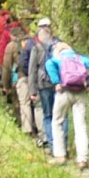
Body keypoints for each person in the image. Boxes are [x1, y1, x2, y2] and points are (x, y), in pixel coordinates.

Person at [45, 41, 89, 167]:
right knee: (80, 125)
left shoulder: (57, 58)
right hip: (80, 93)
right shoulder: (79, 58)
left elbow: (48, 64)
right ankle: (82, 159)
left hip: (63, 93)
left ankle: (60, 155)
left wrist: (56, 82)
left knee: (57, 121)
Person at [26, 19, 57, 150]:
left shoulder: (35, 46)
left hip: (43, 84)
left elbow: (32, 70)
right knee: (60, 116)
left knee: (48, 115)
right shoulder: (59, 44)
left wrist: (32, 90)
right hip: (58, 83)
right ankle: (63, 143)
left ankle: (52, 144)